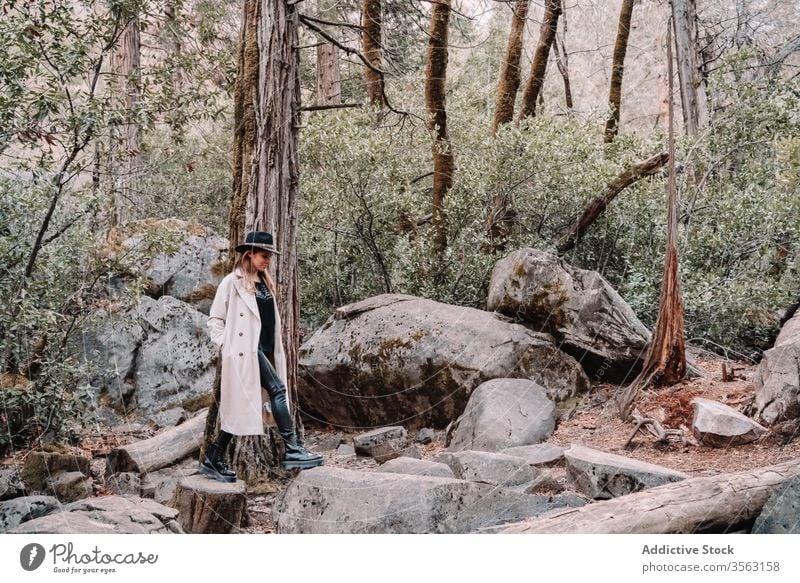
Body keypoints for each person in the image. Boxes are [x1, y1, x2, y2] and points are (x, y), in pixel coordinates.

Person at [200, 231, 323, 482]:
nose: (268, 260)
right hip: (245, 352)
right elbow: (215, 319)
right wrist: (228, 345)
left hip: (264, 350)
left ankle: (214, 456)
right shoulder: (231, 283)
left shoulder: (264, 282)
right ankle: (293, 448)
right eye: (264, 255)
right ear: (249, 254)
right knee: (278, 390)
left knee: (241, 409)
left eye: (269, 256)